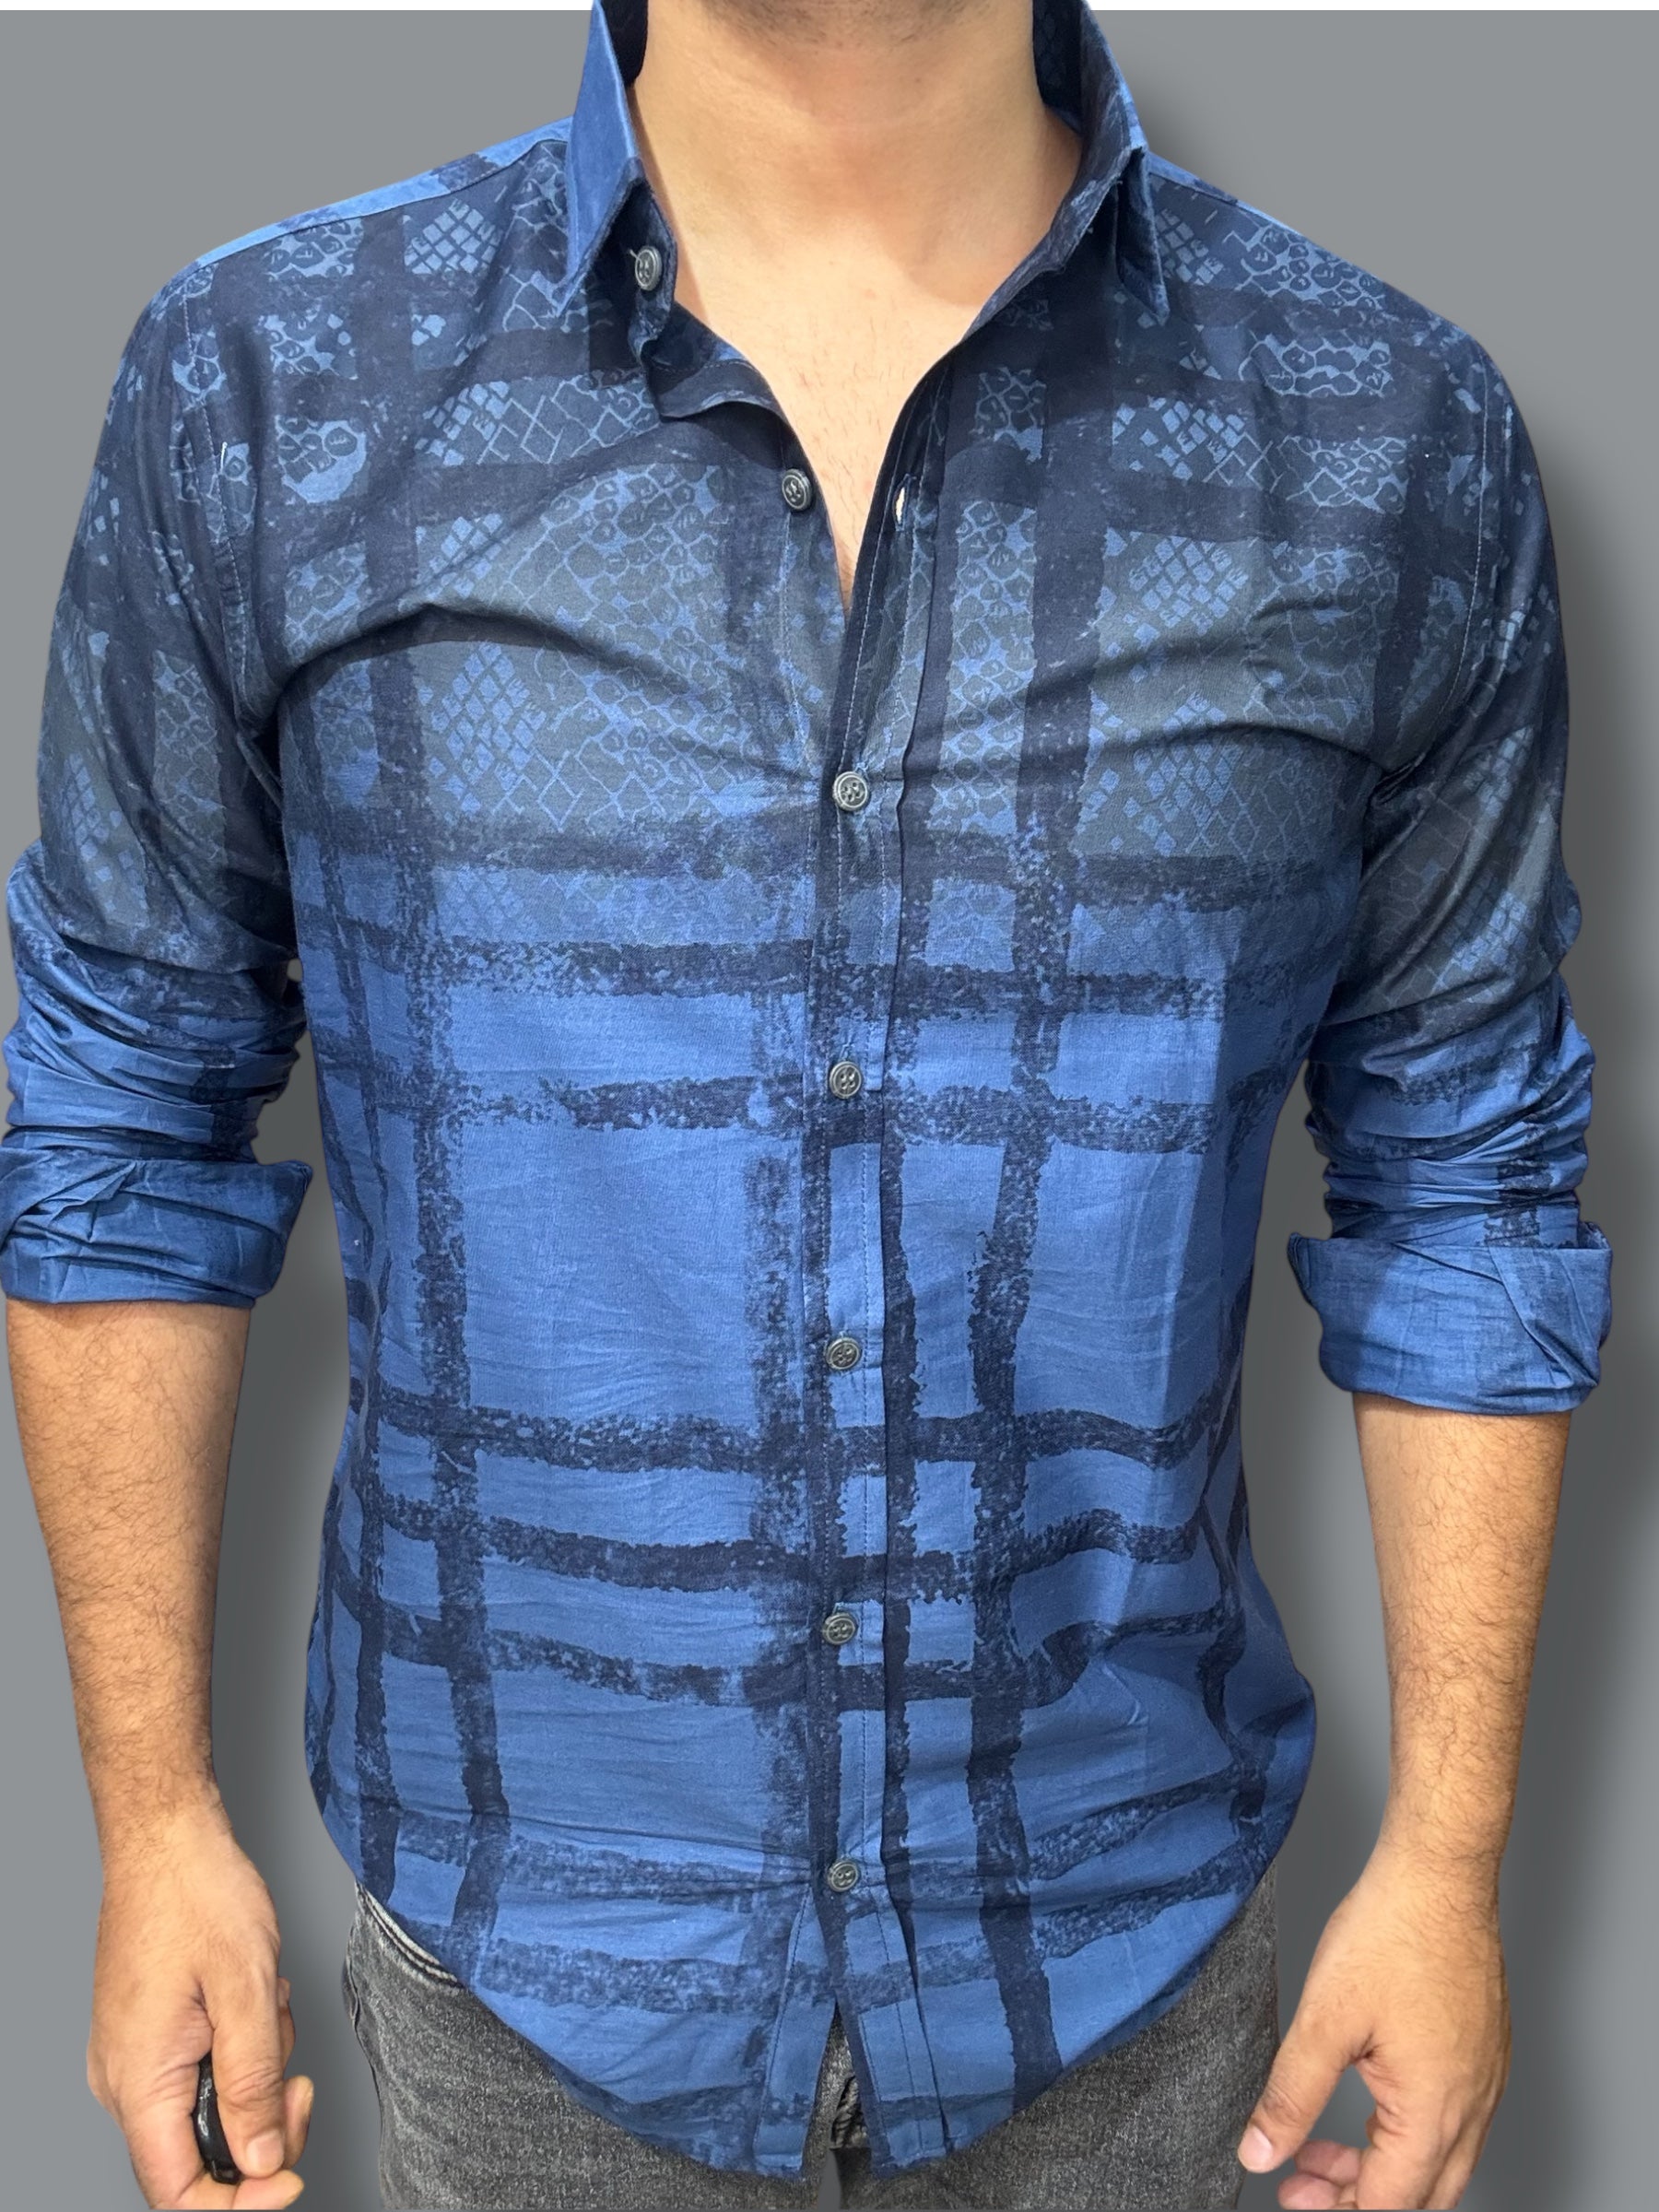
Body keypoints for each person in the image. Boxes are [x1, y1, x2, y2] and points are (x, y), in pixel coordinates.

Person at [0, 0, 1613, 2206]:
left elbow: (1468, 1171)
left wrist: (1447, 1854)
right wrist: (153, 1816)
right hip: (522, 1967)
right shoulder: (273, 383)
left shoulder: (1382, 434)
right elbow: (122, 1122)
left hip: (1130, 1966)